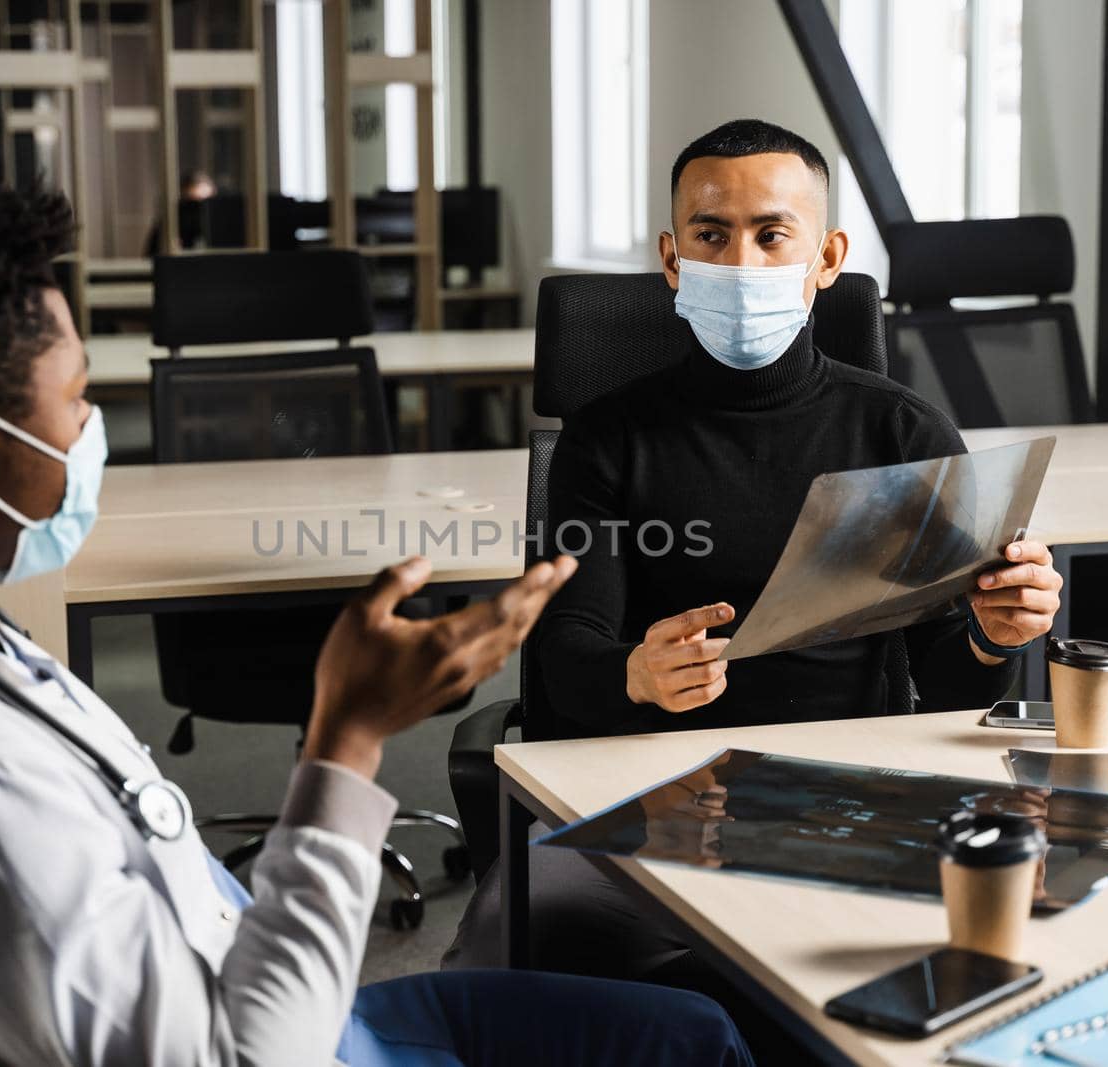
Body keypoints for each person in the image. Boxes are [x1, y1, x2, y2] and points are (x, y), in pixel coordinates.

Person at [0, 165, 751, 1067]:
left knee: (692, 1028)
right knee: (700, 1042)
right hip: (295, 1035)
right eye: (78, 397)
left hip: (290, 995)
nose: (90, 427)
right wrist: (346, 738)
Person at [444, 118, 1063, 1022]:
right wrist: (637, 673)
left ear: (826, 257)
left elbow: (949, 682)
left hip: (852, 796)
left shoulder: (901, 435)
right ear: (671, 258)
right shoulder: (607, 437)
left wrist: (990, 631)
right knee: (503, 953)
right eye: (711, 235)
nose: (741, 261)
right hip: (650, 800)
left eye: (773, 233)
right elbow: (563, 664)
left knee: (1002, 957)